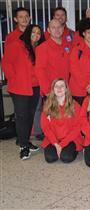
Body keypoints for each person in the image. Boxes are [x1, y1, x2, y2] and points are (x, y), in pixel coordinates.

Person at [2, 24, 45, 160]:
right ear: (28, 32)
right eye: (33, 32)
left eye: (38, 33)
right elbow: (6, 63)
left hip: (35, 87)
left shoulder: (39, 48)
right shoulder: (16, 45)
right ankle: (23, 146)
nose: (36, 35)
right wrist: (14, 78)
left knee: (30, 115)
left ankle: (26, 141)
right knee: (21, 117)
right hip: (20, 87)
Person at [41, 78, 83, 163]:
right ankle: (59, 149)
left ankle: (73, 150)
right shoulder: (48, 106)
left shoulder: (75, 105)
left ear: (66, 89)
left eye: (62, 86)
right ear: (53, 90)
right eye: (56, 86)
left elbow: (78, 127)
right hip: (53, 139)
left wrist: (63, 144)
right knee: (50, 158)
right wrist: (56, 144)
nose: (59, 88)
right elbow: (46, 128)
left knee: (66, 158)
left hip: (70, 139)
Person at [36, 19, 71, 96]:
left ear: (63, 29)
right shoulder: (43, 47)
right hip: (52, 91)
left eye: (59, 27)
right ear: (48, 30)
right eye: (53, 27)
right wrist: (47, 90)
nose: (57, 30)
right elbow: (40, 70)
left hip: (66, 89)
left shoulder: (68, 45)